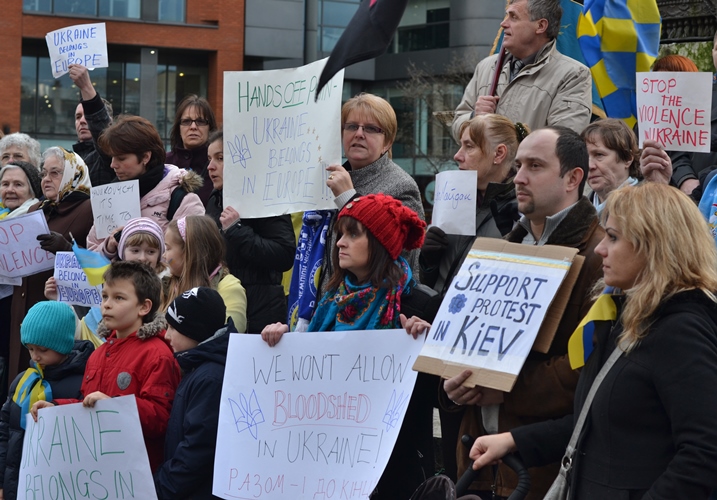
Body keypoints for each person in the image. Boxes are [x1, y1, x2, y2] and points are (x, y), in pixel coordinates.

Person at [469, 182, 717, 498]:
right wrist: (517, 440)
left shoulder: (681, 329)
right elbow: (599, 420)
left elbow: (705, 451)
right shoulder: (627, 315)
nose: (600, 249)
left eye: (613, 238)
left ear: (653, 245)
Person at [441, 126, 604, 498]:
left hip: (541, 472)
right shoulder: (497, 251)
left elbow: (585, 368)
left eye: (535, 166)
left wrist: (505, 392)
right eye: (518, 166)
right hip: (479, 467)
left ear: (573, 178)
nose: (519, 177)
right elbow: (462, 343)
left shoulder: (599, 257)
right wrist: (451, 385)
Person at [262, 193, 428, 499]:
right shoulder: (329, 302)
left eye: (353, 233)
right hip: (328, 463)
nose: (340, 242)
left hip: (392, 467)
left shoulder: (416, 306)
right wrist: (284, 342)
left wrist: (427, 348)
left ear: (380, 241)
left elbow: (436, 395)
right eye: (340, 234)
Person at [31, 261, 181, 472]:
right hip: (100, 472)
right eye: (104, 297)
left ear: (144, 307)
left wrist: (114, 407)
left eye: (118, 298)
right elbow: (87, 403)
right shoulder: (98, 353)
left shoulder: (157, 354)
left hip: (135, 475)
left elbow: (162, 419)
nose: (107, 305)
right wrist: (57, 408)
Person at [321, 93, 424, 288]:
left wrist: (349, 199)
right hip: (327, 304)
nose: (359, 134)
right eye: (352, 126)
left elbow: (400, 256)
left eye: (370, 128)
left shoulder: (401, 186)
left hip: (370, 308)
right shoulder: (329, 179)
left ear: (387, 143)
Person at [9, 148, 94, 384]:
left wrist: (67, 248)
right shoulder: (36, 209)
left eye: (55, 173)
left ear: (73, 174)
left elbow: (99, 264)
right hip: (23, 302)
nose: (46, 179)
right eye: (44, 173)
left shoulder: (88, 209)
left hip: (56, 309)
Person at [421, 115, 528, 299]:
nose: (457, 155)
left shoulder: (520, 211)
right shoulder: (453, 199)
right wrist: (428, 261)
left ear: (499, 154)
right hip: (437, 320)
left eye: (469, 146)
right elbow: (432, 283)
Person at [452, 0, 592, 141]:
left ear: (540, 26)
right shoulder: (486, 67)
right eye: (506, 16)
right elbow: (457, 125)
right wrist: (474, 117)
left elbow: (562, 142)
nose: (503, 23)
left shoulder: (573, 75)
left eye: (513, 17)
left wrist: (512, 153)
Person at [0, 301, 93, 500]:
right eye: (30, 349)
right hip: (16, 483)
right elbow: (4, 430)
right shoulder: (24, 381)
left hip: (57, 486)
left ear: (63, 344)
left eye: (42, 349)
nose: (35, 356)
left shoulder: (82, 383)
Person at [205, 130, 295, 333]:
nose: (210, 167)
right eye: (209, 159)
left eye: (220, 158)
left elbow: (284, 254)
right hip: (222, 303)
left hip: (261, 314)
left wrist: (236, 230)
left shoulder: (266, 196)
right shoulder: (214, 199)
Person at [88, 114, 205, 253]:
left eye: (121, 158)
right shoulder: (110, 198)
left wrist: (146, 259)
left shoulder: (182, 199)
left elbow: (191, 257)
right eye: (112, 158)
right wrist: (108, 247)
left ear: (145, 157)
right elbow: (91, 253)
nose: (113, 165)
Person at [154, 286, 229, 499]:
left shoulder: (210, 377)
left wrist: (161, 487)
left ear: (194, 331)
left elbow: (197, 451)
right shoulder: (198, 368)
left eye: (172, 328)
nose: (166, 336)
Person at [44, 216, 168, 346]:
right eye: (135, 250)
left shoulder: (168, 286)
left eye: (151, 251)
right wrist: (60, 300)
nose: (142, 258)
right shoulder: (107, 281)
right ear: (122, 252)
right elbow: (80, 331)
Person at [0, 161, 43, 397]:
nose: (10, 189)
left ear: (32, 190)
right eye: (5, 184)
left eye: (18, 184)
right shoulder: (2, 216)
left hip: (18, 308)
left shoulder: (35, 219)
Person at [162, 215, 248, 333]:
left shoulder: (229, 288)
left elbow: (228, 337)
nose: (164, 255)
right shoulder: (168, 285)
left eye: (168, 248)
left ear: (189, 252)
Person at [649, 53, 716, 198]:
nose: (667, 89)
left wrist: (701, 181)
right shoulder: (646, 124)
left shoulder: (703, 109)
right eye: (660, 82)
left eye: (672, 81)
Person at [165, 95, 218, 204]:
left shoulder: (219, 166)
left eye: (200, 121)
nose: (193, 126)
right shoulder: (164, 164)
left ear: (210, 128)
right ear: (178, 128)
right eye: (186, 121)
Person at [69, 64, 115, 186]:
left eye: (88, 116)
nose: (82, 121)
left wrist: (86, 87)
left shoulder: (111, 155)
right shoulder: (68, 161)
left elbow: (100, 129)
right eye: (78, 117)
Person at [582, 118, 640, 213]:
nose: (589, 165)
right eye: (584, 156)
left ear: (628, 159)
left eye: (599, 155)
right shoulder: (579, 212)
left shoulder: (647, 206)